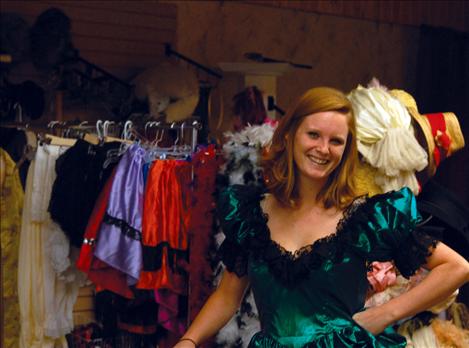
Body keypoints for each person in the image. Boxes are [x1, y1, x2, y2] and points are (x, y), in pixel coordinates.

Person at [174, 87, 469, 347]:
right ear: (289, 135)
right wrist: (189, 340)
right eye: (313, 134)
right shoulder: (251, 215)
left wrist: (385, 314)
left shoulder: (366, 219)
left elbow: (456, 268)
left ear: (347, 149)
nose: (323, 149)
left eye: (336, 141)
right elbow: (227, 297)